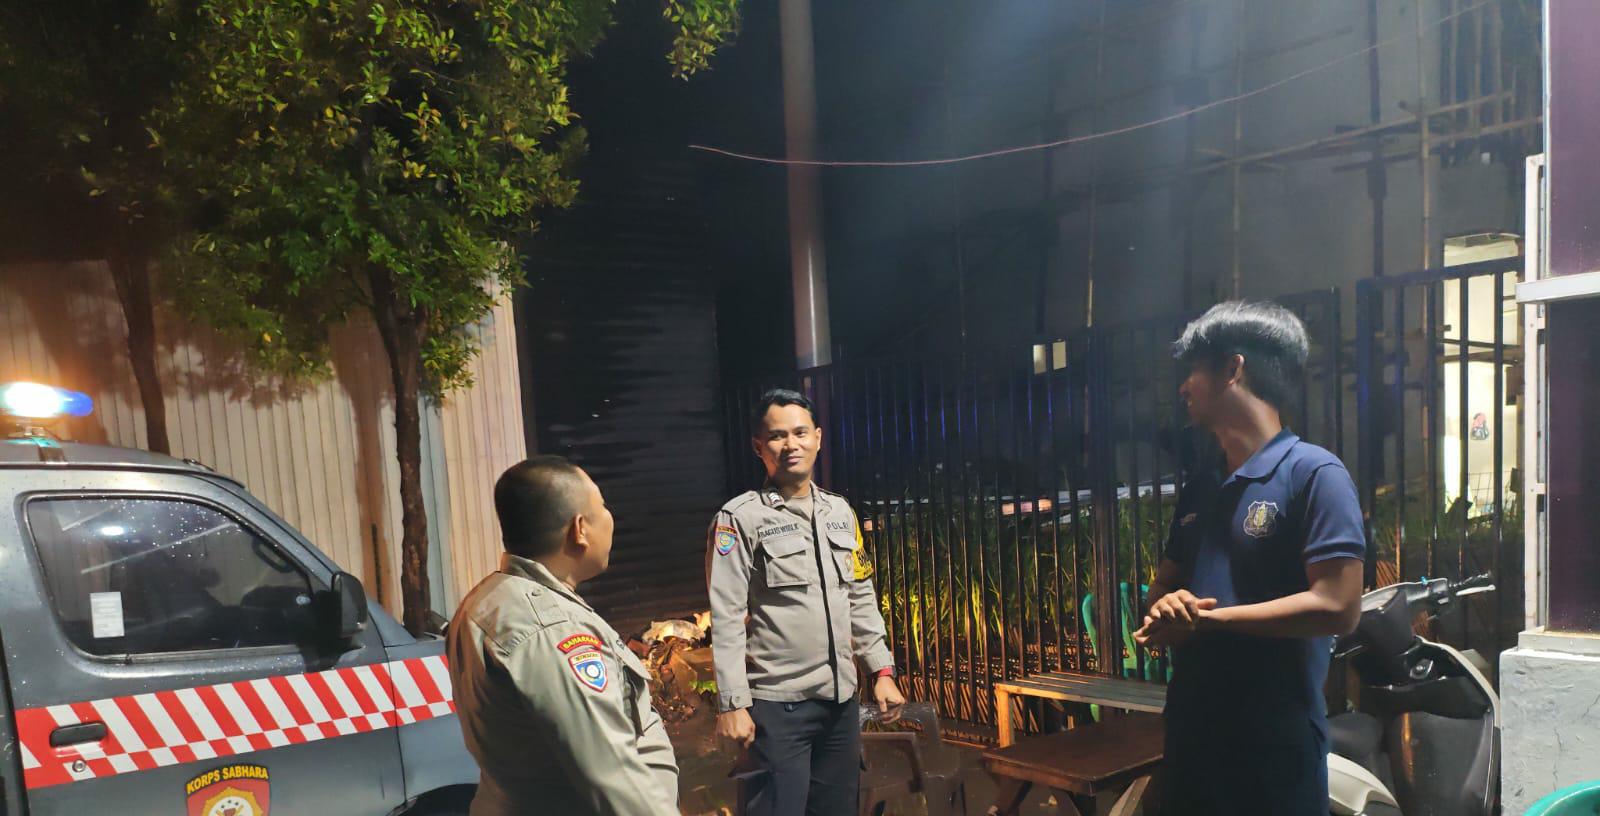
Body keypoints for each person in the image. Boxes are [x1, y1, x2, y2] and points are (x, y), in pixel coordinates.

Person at [1135, 301, 1366, 815]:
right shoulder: (1201, 488)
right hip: (1193, 736)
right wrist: (1166, 607)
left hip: (1273, 747)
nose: (1183, 387)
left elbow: (1338, 606)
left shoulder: (1314, 475)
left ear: (1233, 369)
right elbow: (1163, 588)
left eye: (1194, 370)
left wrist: (1209, 620)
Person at [707, 388, 905, 816]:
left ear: (818, 437)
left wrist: (881, 670)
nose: (790, 444)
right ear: (759, 447)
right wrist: (733, 703)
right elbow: (725, 617)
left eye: (800, 432)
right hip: (778, 707)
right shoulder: (740, 519)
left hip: (840, 705)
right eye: (777, 436)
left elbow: (860, 595)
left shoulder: (840, 513)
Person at [447, 456, 678, 816]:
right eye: (603, 507)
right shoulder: (552, 630)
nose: (610, 517)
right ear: (580, 529)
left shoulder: (489, 600)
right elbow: (613, 777)